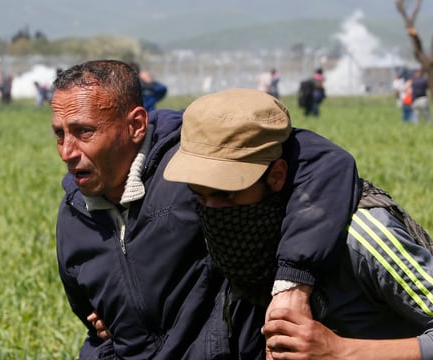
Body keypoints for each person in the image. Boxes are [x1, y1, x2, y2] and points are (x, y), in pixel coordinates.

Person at [51, 60, 360, 359]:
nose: (66, 151)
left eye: (84, 132)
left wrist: (292, 283)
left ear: (136, 125)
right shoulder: (73, 218)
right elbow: (93, 320)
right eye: (59, 133)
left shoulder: (194, 165)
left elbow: (324, 161)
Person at [163, 88, 433, 360]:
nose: (213, 210)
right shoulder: (241, 236)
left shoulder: (364, 235)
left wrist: (339, 350)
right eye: (201, 196)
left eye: (227, 194)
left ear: (277, 175)